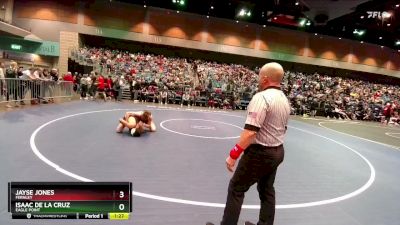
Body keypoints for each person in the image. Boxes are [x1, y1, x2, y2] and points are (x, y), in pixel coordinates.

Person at [209, 62, 290, 225]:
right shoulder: (284, 100)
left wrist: (233, 154)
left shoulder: (261, 98)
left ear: (265, 79)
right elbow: (284, 128)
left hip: (260, 153)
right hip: (278, 151)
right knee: (266, 189)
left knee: (236, 188)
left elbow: (251, 132)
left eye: (260, 77)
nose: (258, 80)